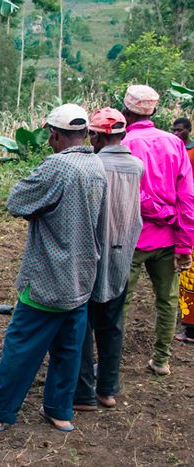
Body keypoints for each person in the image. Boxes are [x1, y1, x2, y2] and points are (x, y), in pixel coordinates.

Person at [0, 104, 106, 432]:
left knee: (21, 345)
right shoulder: (96, 165)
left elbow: (17, 202)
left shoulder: (57, 167)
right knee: (68, 347)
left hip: (49, 274)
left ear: (55, 134)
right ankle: (60, 411)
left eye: (50, 134)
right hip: (81, 274)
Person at [73, 108, 143, 411]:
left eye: (92, 134)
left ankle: (84, 393)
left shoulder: (93, 165)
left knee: (82, 324)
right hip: (121, 253)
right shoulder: (137, 166)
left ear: (99, 136)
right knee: (113, 323)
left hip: (91, 255)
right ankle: (108, 389)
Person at [122, 85, 194, 376]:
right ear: (154, 111)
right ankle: (161, 360)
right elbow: (187, 198)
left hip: (131, 238)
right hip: (168, 238)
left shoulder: (124, 142)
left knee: (120, 301)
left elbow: (126, 195)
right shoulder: (174, 143)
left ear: (126, 111)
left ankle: (109, 361)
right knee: (167, 301)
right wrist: (185, 245)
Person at [173, 117, 194, 344]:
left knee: (189, 277)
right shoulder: (175, 148)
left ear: (188, 131)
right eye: (174, 130)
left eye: (180, 130)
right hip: (185, 210)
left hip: (188, 211)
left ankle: (190, 329)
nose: (177, 133)